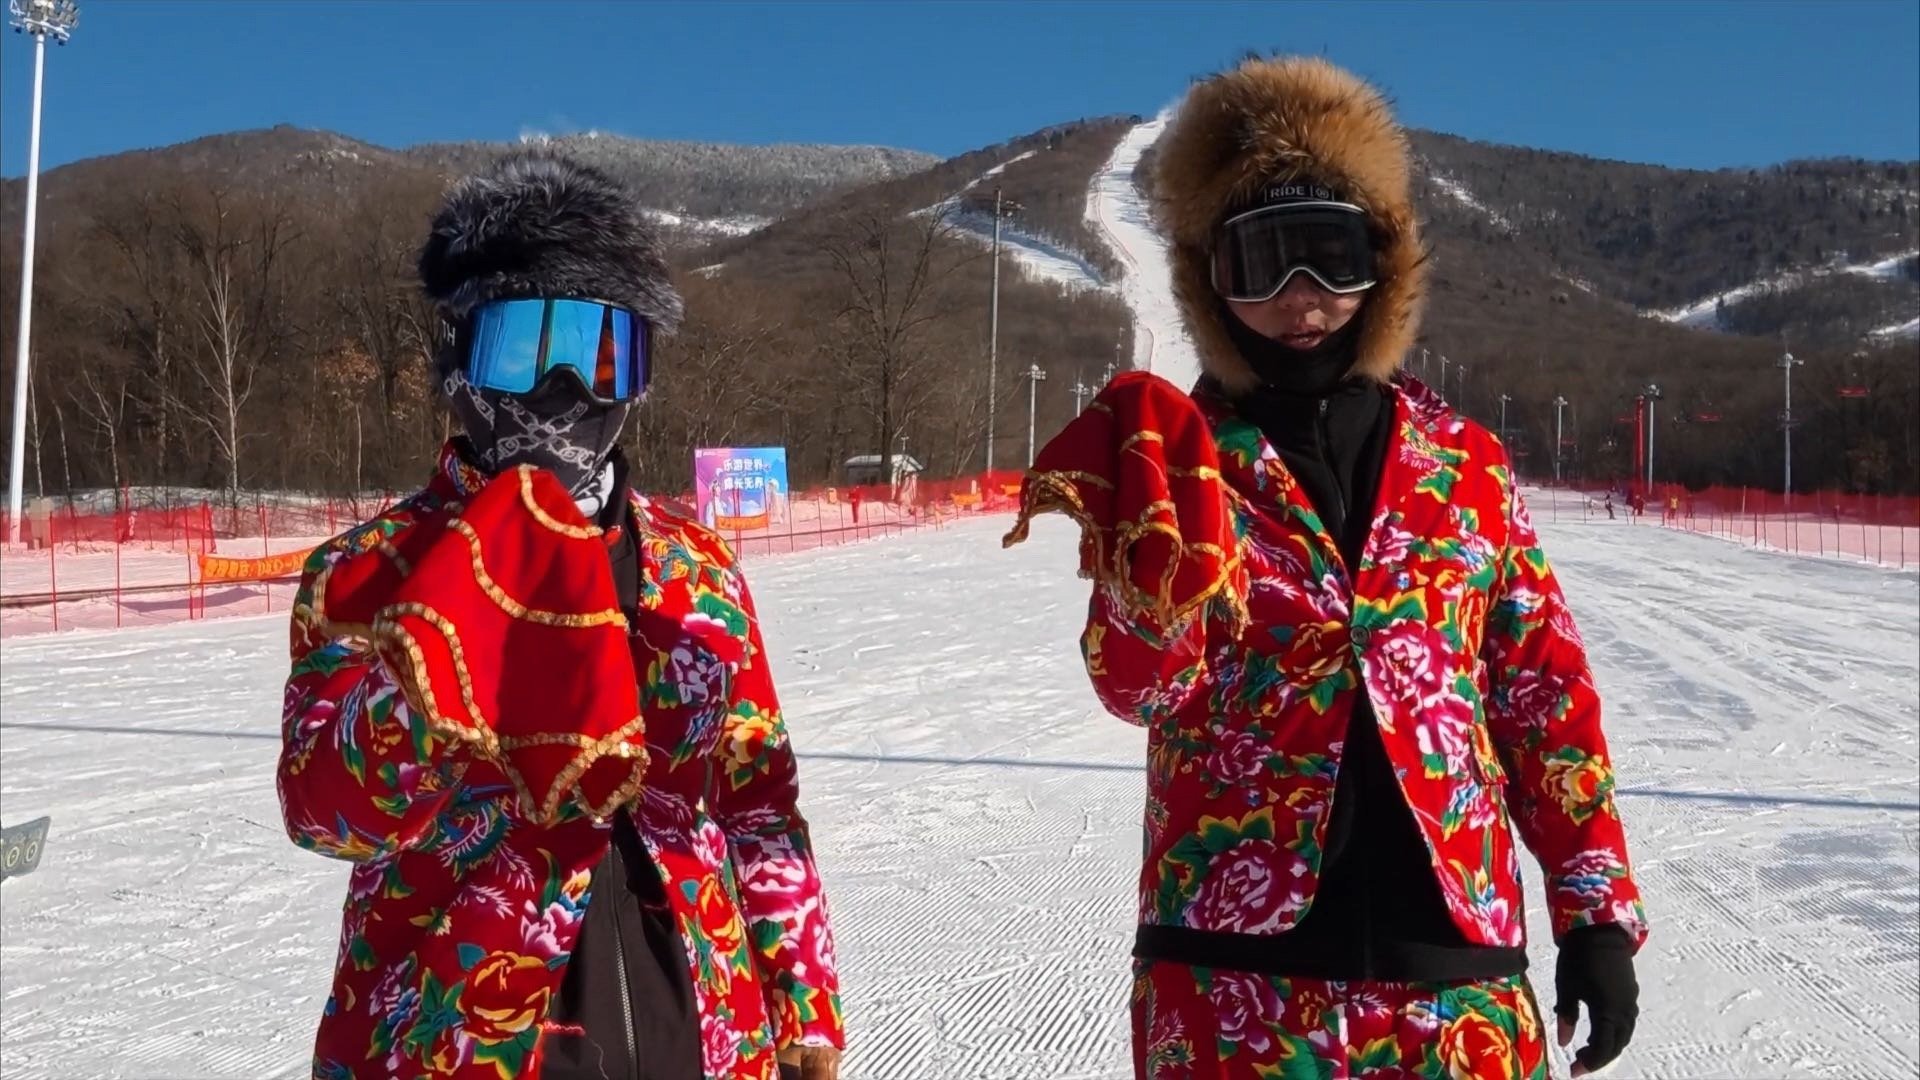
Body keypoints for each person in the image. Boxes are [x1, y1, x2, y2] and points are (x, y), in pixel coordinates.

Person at [1006, 56, 1645, 1079]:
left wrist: (1595, 913)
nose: (1299, 298)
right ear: (1209, 280)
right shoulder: (1182, 461)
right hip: (1234, 981)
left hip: (1455, 979)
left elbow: (1541, 695)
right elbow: (1136, 690)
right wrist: (1149, 570)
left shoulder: (1464, 467)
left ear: (1383, 264)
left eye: (1330, 256)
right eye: (1261, 263)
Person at [276, 152, 844, 1080]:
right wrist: (422, 669)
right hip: (460, 1034)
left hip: (698, 1028)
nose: (566, 384)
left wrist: (803, 1006)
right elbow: (325, 812)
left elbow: (758, 804)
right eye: (522, 346)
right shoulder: (368, 572)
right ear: (460, 360)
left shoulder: (698, 572)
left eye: (604, 349)